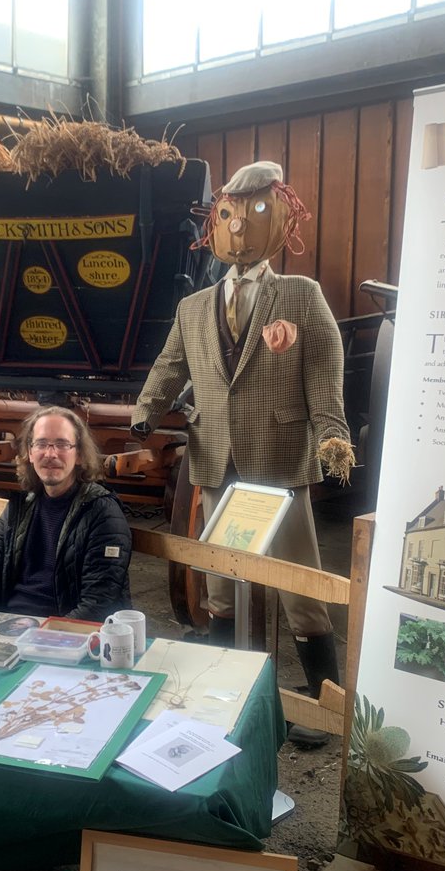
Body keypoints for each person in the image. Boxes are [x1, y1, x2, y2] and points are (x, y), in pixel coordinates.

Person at [131, 161, 354, 747]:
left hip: (280, 460)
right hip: (215, 461)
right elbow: (170, 365)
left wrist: (333, 434)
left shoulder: (301, 297)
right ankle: (228, 684)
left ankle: (322, 700)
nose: (238, 228)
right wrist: (146, 410)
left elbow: (325, 374)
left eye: (252, 213)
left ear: (278, 216)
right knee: (221, 582)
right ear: (215, 222)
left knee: (298, 583)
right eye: (227, 214)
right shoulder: (194, 307)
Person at [0, 406, 132, 621]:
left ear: (79, 454)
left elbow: (98, 603)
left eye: (62, 444)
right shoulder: (18, 508)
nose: (50, 454)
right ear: (29, 453)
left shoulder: (102, 513)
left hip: (63, 636)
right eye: (41, 444)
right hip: (8, 628)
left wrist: (44, 637)